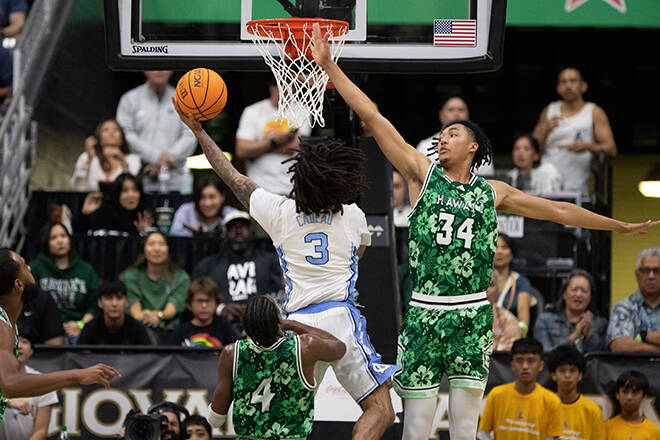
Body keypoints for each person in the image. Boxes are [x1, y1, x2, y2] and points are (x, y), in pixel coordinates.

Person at [310, 23, 659, 440]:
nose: (443, 138)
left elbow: (558, 211)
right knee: (416, 428)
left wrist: (618, 225)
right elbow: (373, 116)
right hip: (424, 312)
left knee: (463, 428)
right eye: (441, 133)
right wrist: (329, 65)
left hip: (473, 314)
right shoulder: (422, 173)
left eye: (453, 133)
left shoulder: (494, 192)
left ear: (473, 146)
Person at [174, 97, 400, 440]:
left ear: (300, 178)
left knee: (284, 420)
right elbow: (360, 256)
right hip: (339, 319)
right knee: (381, 409)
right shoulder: (353, 214)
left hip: (296, 328)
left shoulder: (279, 211)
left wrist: (199, 131)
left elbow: (232, 177)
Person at [0, 248, 119, 422]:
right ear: (18, 285)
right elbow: (11, 384)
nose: (31, 268)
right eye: (25, 265)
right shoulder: (1, 324)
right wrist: (78, 375)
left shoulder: (9, 323)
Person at [206, 295, 346, 439]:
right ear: (278, 319)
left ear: (247, 324)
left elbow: (215, 419)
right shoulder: (304, 347)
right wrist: (293, 325)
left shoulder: (232, 353)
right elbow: (340, 348)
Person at [532, 67, 617, 195]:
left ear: (583, 86)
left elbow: (611, 150)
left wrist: (588, 146)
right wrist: (545, 129)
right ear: (558, 88)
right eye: (564, 82)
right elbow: (530, 149)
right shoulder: (549, 110)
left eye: (573, 81)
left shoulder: (594, 112)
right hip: (546, 186)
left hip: (577, 187)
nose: (568, 86)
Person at [191, 211, 283, 323]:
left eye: (243, 226)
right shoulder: (208, 266)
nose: (238, 231)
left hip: (264, 322)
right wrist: (221, 309)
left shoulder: (271, 261)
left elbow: (282, 294)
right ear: (224, 234)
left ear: (252, 232)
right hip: (223, 326)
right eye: (232, 227)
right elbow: (196, 297)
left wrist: (259, 309)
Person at [116, 70, 197, 193]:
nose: (159, 70)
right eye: (154, 66)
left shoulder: (184, 99)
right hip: (139, 180)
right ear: (145, 70)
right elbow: (125, 134)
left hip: (177, 180)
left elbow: (191, 134)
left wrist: (170, 156)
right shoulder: (130, 99)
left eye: (164, 66)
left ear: (171, 70)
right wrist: (156, 156)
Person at [234, 77, 312, 196]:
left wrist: (258, 148)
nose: (288, 91)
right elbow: (242, 150)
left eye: (291, 87)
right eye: (283, 86)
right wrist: (274, 141)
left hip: (292, 188)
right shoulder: (252, 111)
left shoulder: (302, 110)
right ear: (272, 87)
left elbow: (298, 146)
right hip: (259, 188)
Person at [478, 337, 563, 440]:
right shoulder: (496, 395)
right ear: (512, 365)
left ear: (540, 365)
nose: (525, 366)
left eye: (531, 361)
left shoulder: (551, 401)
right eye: (519, 361)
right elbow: (483, 435)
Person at [29, 222, 99, 342]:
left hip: (79, 328)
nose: (60, 241)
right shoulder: (35, 268)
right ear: (45, 242)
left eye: (63, 236)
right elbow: (30, 303)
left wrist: (81, 325)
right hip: (44, 330)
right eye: (53, 238)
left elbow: (94, 306)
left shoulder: (86, 269)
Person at [121, 231, 190, 342]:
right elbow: (135, 312)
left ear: (168, 249)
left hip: (171, 332)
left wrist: (157, 315)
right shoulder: (131, 276)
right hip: (138, 330)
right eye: (151, 244)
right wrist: (146, 317)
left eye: (161, 244)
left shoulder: (181, 277)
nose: (156, 249)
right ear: (143, 250)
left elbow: (171, 310)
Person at [0, 324, 58, 440]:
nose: (19, 346)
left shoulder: (42, 383)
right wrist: (7, 400)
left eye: (25, 342)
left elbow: (41, 431)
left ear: (31, 350)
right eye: (15, 340)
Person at [415, 95, 495, 176]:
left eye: (461, 110)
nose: (456, 114)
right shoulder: (424, 146)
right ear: (441, 115)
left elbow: (487, 180)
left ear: (468, 115)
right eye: (451, 110)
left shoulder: (480, 147)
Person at [535, 269, 607, 352]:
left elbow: (601, 359)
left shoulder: (601, 323)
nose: (579, 294)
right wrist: (574, 336)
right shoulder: (545, 320)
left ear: (590, 297)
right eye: (574, 289)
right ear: (564, 294)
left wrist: (589, 336)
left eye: (584, 291)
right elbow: (544, 354)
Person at [546, 345, 605, 439]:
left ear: (580, 375)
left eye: (572, 371)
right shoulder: (544, 407)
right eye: (562, 371)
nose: (567, 375)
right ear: (553, 375)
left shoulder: (592, 411)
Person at [607, 247, 660, 353]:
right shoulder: (623, 307)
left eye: (657, 271)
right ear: (637, 275)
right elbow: (619, 346)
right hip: (634, 369)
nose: (651, 276)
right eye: (645, 270)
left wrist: (643, 336)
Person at [70, 119, 142, 192]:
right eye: (106, 130)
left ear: (122, 137)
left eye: (116, 129)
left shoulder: (132, 159)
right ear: (98, 138)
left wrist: (122, 160)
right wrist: (89, 160)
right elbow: (76, 188)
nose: (111, 133)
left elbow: (133, 190)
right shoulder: (86, 157)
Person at [169, 277, 239, 347]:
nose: (204, 306)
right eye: (199, 301)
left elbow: (237, 353)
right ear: (189, 304)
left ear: (216, 303)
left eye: (208, 301)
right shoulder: (180, 331)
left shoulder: (225, 328)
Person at [77, 279, 152, 345]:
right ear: (99, 302)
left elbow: (150, 358)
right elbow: (79, 358)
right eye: (108, 298)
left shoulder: (138, 329)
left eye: (119, 298)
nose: (114, 304)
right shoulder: (89, 329)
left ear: (126, 302)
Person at [77, 173, 155, 235]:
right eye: (125, 191)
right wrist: (85, 214)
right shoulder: (104, 215)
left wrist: (145, 232)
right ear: (117, 194)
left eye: (135, 190)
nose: (131, 195)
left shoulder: (145, 216)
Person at [493, 234, 535, 334]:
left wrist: (521, 332)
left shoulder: (521, 281)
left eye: (504, 247)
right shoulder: (479, 280)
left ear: (512, 253)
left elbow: (523, 320)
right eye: (495, 247)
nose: (499, 252)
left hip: (510, 336)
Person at [169, 176, 237, 237]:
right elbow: (175, 236)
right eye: (202, 197)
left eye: (212, 197)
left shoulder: (232, 215)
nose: (207, 203)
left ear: (222, 197)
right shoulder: (186, 211)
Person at [605, 371, 660, 440]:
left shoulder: (654, 432)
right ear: (617, 395)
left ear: (644, 397)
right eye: (625, 392)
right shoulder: (606, 428)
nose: (629, 397)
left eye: (635, 392)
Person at [487, 271, 525, 351]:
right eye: (480, 285)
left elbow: (504, 360)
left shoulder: (508, 321)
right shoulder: (456, 317)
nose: (485, 290)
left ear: (498, 290)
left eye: (490, 285)